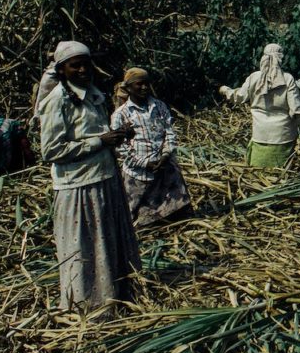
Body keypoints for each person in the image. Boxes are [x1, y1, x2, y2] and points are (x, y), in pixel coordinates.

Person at [39, 40, 141, 311]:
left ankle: (116, 295)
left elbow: (94, 133)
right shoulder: (56, 101)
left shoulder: (92, 94)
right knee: (84, 247)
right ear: (62, 71)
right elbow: (51, 150)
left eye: (86, 64)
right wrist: (100, 141)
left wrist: (117, 137)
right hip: (78, 186)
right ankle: (86, 303)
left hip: (104, 178)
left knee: (106, 241)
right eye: (76, 65)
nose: (83, 69)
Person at [110, 67, 192, 227]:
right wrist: (144, 163)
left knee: (176, 215)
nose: (144, 87)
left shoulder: (159, 106)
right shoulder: (121, 114)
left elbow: (169, 133)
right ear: (128, 88)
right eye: (139, 84)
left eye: (147, 83)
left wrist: (166, 155)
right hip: (138, 173)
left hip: (164, 166)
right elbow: (121, 148)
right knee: (138, 219)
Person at [219, 43, 300, 167]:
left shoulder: (254, 77)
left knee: (258, 172)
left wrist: (225, 90)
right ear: (281, 58)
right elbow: (296, 109)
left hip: (260, 133)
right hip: (283, 135)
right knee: (282, 173)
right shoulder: (288, 79)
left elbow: (238, 97)